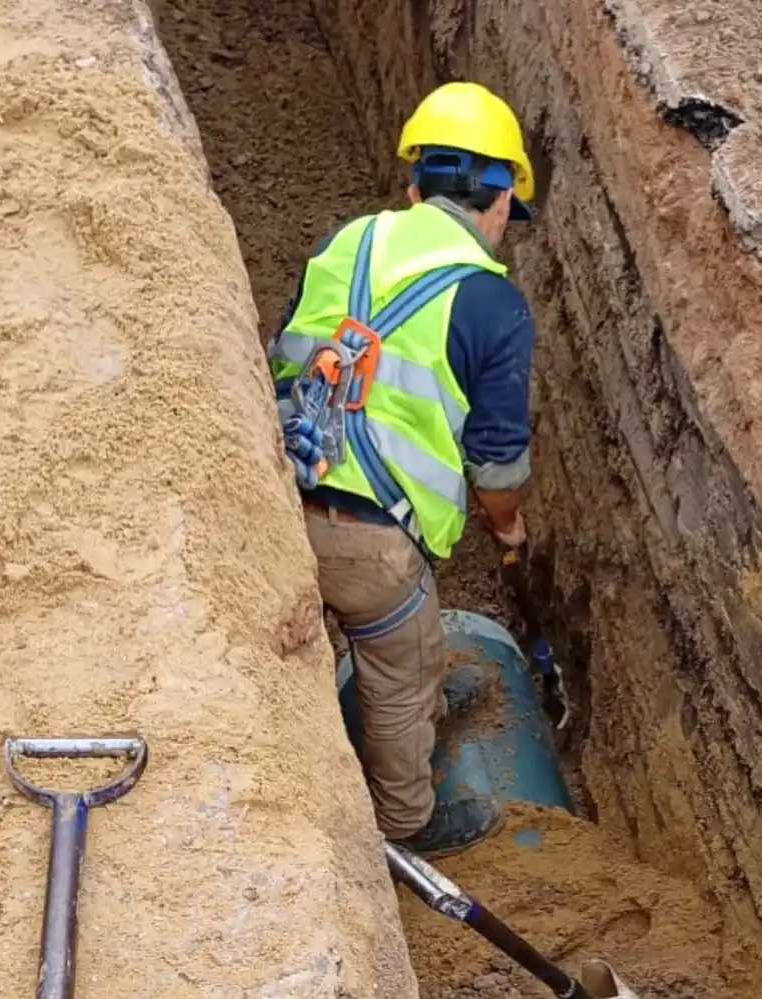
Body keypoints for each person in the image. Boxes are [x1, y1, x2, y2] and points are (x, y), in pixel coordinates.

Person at [266, 81, 537, 858]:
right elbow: (496, 461)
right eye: (506, 214)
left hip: (278, 495)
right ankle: (405, 823)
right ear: (495, 198)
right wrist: (507, 521)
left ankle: (396, 697)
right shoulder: (492, 302)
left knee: (387, 644)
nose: (503, 232)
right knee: (400, 671)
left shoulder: (347, 242)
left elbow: (295, 346)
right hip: (369, 545)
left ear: (417, 185)